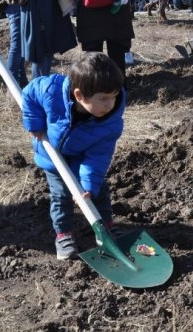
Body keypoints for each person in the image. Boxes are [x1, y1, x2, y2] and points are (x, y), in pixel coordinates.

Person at [21, 52, 126, 260]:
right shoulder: (51, 90)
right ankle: (63, 235)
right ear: (79, 95)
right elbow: (29, 92)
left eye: (114, 97)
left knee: (98, 191)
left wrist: (87, 184)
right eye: (103, 99)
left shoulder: (110, 122)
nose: (110, 105)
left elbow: (98, 156)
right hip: (52, 156)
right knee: (60, 196)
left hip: (81, 156)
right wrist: (34, 123)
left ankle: (105, 229)